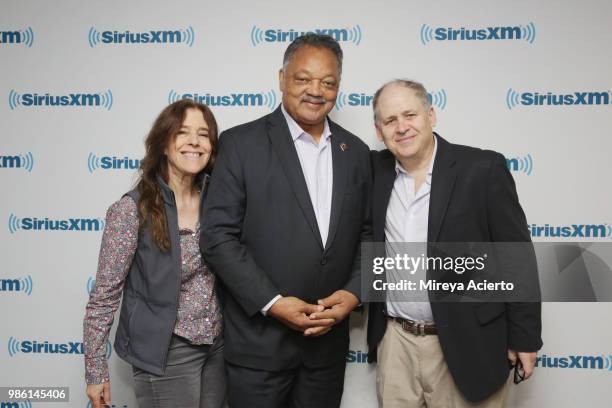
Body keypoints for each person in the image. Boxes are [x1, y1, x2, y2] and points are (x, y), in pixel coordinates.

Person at [200, 33, 372, 408]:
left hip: (326, 352)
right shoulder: (240, 144)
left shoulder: (356, 152)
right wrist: (273, 302)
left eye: (328, 82)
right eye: (303, 78)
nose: (316, 90)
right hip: (259, 349)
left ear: (338, 87)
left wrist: (355, 293)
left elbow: (367, 234)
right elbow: (217, 237)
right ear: (281, 79)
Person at [367, 79, 542, 407]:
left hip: (467, 342)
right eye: (390, 121)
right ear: (379, 131)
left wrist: (525, 337)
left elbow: (516, 258)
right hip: (396, 344)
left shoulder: (482, 169)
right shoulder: (374, 172)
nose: (402, 127)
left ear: (431, 115)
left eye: (410, 115)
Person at [83, 100, 225, 408]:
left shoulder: (218, 200)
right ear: (163, 143)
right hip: (166, 352)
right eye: (183, 132)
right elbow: (104, 296)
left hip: (217, 347)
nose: (194, 142)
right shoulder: (131, 210)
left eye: (204, 134)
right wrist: (95, 370)